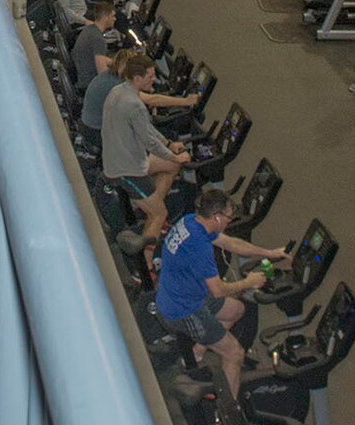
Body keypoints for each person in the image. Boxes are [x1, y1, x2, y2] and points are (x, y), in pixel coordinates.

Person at [155, 188, 290, 397]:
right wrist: (248, 282)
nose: (230, 220)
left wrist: (269, 253)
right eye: (228, 216)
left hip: (185, 293)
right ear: (216, 217)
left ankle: (196, 355)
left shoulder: (192, 221)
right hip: (182, 310)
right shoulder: (200, 246)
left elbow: (230, 243)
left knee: (235, 310)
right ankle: (228, 416)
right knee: (234, 353)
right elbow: (217, 290)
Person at [99, 50, 192, 243]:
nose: (154, 80)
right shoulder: (135, 105)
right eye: (150, 77)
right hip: (125, 170)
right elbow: (149, 141)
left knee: (172, 168)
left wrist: (168, 144)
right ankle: (147, 265)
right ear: (137, 78)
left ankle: (150, 205)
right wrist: (175, 156)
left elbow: (147, 128)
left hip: (123, 158)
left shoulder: (118, 91)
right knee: (160, 213)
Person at [70, 0, 118, 88]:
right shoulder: (98, 39)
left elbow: (98, 57)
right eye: (113, 16)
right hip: (88, 83)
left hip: (81, 76)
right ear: (105, 18)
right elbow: (102, 73)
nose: (115, 19)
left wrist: (117, 63)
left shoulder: (89, 29)